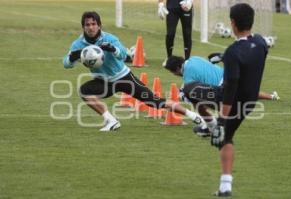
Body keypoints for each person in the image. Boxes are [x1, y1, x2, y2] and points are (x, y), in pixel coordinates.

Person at [168, 3, 269, 196]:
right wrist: (223, 57)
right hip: (249, 101)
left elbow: (230, 88)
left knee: (190, 89)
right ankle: (225, 185)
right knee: (227, 138)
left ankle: (213, 124)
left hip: (231, 99)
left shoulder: (233, 52)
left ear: (232, 23)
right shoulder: (261, 42)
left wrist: (222, 120)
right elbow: (249, 56)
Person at [63, 11, 202, 132]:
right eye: (87, 25)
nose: (91, 27)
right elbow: (66, 64)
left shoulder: (110, 38)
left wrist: (113, 49)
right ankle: (111, 121)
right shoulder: (78, 44)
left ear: (99, 25)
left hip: (123, 77)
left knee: (154, 102)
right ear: (83, 27)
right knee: (84, 91)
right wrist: (71, 57)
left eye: (93, 24)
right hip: (103, 81)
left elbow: (125, 55)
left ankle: (193, 115)